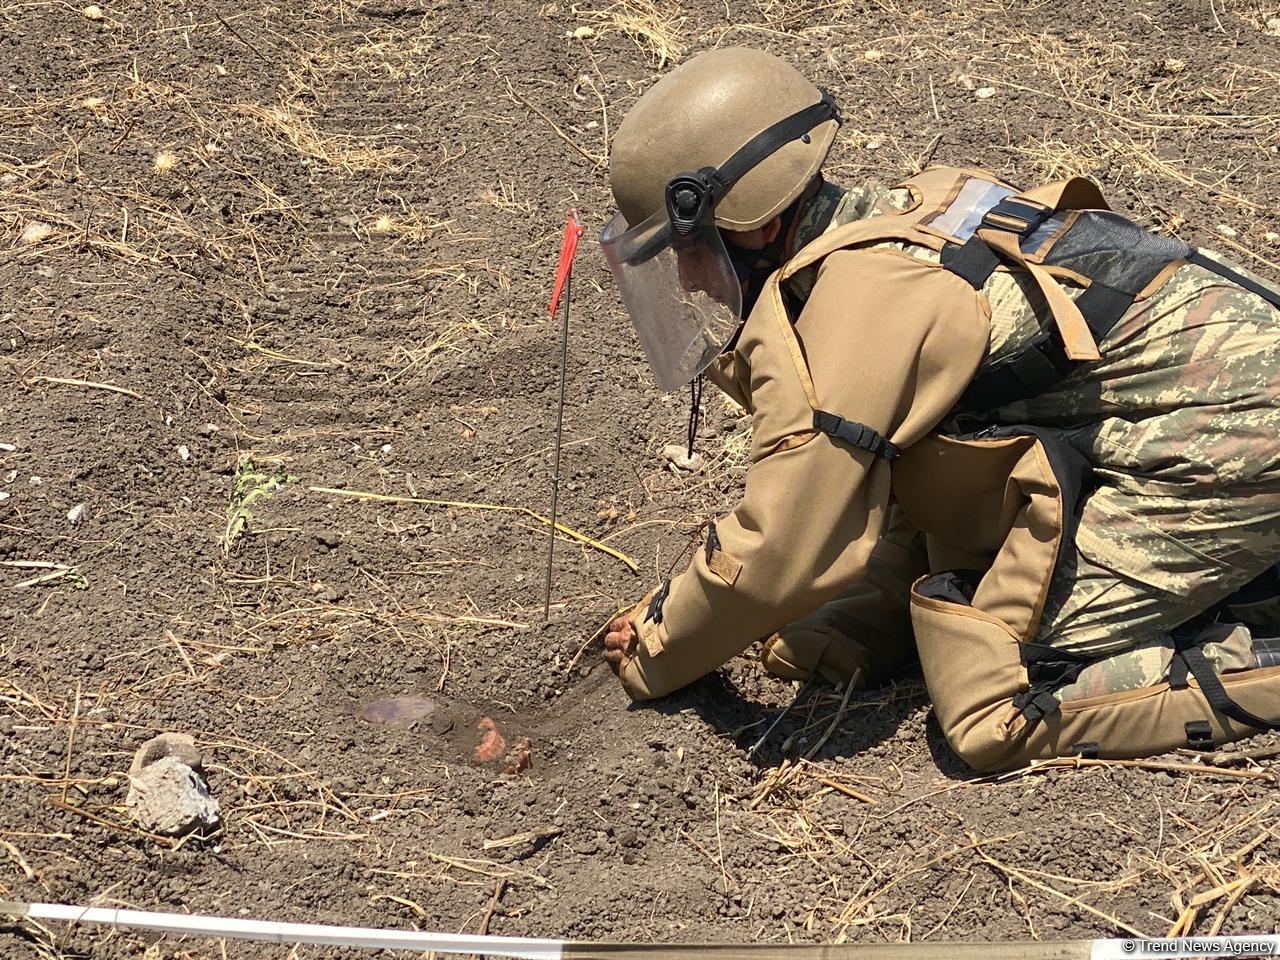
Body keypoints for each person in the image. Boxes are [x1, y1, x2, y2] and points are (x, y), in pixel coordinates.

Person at [596, 46, 1280, 771]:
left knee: (993, 701)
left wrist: (657, 644)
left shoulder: (858, 305)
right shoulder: (899, 219)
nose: (685, 278)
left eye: (684, 249)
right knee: (890, 629)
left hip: (1233, 445)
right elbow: (917, 476)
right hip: (1198, 422)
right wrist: (848, 633)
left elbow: (779, 552)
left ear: (755, 228)